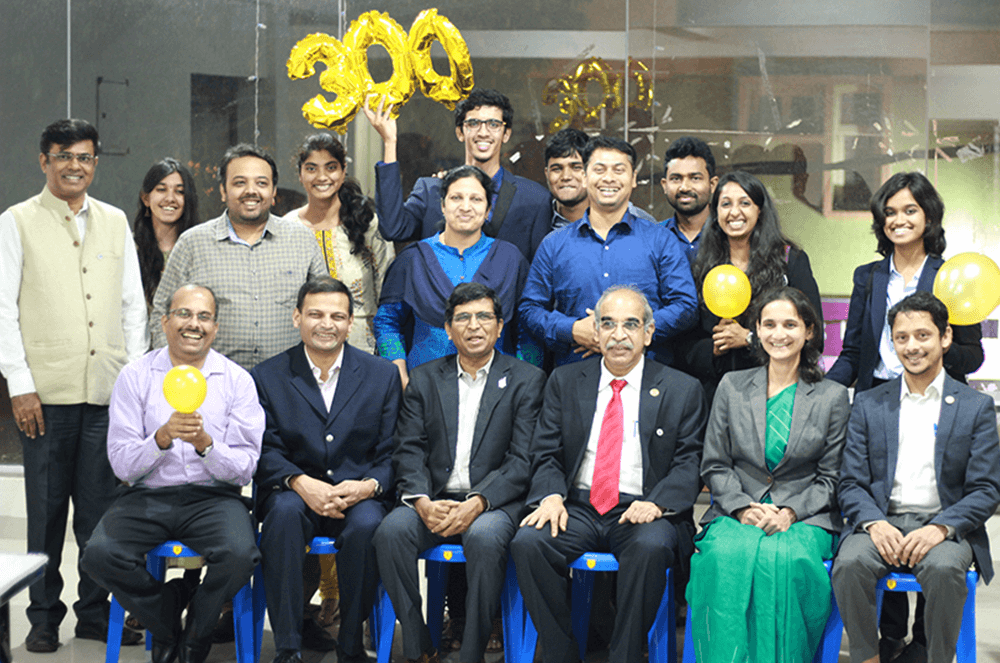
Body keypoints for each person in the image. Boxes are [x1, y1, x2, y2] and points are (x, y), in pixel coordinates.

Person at [0, 118, 147, 652]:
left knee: (99, 515)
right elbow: (2, 312)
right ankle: (42, 617)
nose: (74, 166)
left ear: (95, 164)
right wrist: (20, 384)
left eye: (84, 157)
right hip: (45, 395)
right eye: (63, 156)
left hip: (106, 393)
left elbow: (134, 306)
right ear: (44, 161)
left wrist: (132, 380)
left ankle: (93, 613)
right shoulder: (15, 222)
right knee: (44, 515)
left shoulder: (112, 222)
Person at [825, 172, 984, 659]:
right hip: (877, 400)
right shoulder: (868, 277)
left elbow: (971, 354)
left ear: (928, 217)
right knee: (883, 512)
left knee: (934, 514)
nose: (899, 219)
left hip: (937, 398)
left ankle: (924, 641)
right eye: (890, 211)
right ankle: (888, 638)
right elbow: (853, 351)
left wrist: (926, 363)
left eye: (909, 210)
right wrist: (821, 393)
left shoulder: (949, 273)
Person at [511, 286, 706, 663]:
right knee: (528, 543)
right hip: (578, 506)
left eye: (631, 325)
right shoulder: (565, 381)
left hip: (642, 508)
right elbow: (546, 451)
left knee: (652, 547)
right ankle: (562, 652)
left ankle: (626, 655)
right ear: (595, 333)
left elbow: (689, 462)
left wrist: (658, 503)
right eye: (609, 324)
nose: (619, 335)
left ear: (649, 333)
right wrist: (550, 494)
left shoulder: (683, 389)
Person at [81, 284, 264, 663]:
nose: (193, 324)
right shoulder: (136, 376)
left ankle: (196, 634)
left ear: (215, 328)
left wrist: (206, 445)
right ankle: (166, 620)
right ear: (164, 322)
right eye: (183, 314)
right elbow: (122, 464)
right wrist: (160, 439)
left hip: (213, 497)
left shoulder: (237, 381)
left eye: (203, 316)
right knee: (98, 555)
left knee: (240, 555)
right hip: (148, 495)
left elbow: (245, 467)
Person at [373, 282, 546, 663]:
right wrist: (420, 500)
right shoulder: (424, 378)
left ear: (500, 326)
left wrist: (479, 501)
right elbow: (409, 448)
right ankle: (419, 646)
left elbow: (522, 460)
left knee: (484, 537)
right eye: (463, 318)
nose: (474, 326)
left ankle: (472, 650)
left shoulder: (526, 380)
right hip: (433, 498)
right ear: (448, 329)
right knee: (390, 533)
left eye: (484, 317)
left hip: (494, 503)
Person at [832, 291, 1000, 663]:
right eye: (901, 338)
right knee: (849, 564)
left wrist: (940, 528)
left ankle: (938, 658)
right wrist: (874, 522)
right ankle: (867, 657)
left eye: (923, 335)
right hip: (883, 522)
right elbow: (850, 481)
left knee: (943, 569)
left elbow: (986, 488)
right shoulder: (869, 403)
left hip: (944, 526)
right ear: (892, 343)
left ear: (945, 337)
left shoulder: (975, 407)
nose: (912, 346)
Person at [686, 286, 850, 662]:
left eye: (790, 324)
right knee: (723, 557)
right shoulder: (732, 387)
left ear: (809, 331)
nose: (780, 334)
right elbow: (714, 463)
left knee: (788, 561)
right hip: (736, 509)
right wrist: (743, 507)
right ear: (756, 330)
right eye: (770, 324)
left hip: (804, 517)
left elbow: (832, 477)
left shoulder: (832, 396)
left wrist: (790, 511)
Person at [252, 277, 402, 663]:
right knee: (282, 516)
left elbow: (394, 450)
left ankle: (350, 645)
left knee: (370, 526)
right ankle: (287, 646)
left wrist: (368, 486)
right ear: (296, 317)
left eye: (337, 316)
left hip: (359, 491)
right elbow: (264, 447)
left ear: (351, 323)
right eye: (315, 314)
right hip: (294, 490)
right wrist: (300, 483)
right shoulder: (266, 376)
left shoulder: (381, 374)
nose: (326, 324)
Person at [519, 136, 698, 369]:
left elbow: (686, 305)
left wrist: (634, 330)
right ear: (584, 177)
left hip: (648, 378)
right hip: (574, 377)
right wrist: (571, 330)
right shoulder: (554, 244)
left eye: (619, 170)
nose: (609, 178)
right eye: (599, 169)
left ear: (633, 178)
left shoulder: (660, 240)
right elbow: (529, 309)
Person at [151, 143, 326, 370]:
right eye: (239, 183)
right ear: (223, 191)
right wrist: (175, 376)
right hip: (212, 386)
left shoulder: (302, 240)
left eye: (261, 183)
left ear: (273, 192)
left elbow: (327, 308)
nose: (251, 191)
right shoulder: (193, 243)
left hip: (288, 384)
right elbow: (160, 318)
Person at [374, 165, 537, 387]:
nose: (466, 207)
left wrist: (523, 382)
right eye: (456, 198)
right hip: (424, 388)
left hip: (496, 390)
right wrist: (400, 375)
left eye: (476, 199)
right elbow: (387, 322)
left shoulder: (510, 259)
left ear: (488, 209)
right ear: (442, 206)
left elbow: (528, 328)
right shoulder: (413, 259)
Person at [681, 170, 823, 401]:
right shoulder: (700, 265)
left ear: (760, 210)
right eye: (725, 204)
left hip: (777, 391)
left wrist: (749, 339)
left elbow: (814, 335)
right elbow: (685, 343)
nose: (734, 212)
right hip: (716, 395)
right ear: (715, 212)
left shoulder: (790, 260)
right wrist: (714, 349)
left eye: (745, 203)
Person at [364, 88, 552, 262]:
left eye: (494, 124)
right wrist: (389, 142)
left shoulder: (535, 198)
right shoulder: (431, 190)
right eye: (473, 123)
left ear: (506, 134)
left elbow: (539, 272)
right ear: (460, 132)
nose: (483, 132)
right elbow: (392, 228)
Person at [288, 132, 394, 356]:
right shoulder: (287, 227)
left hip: (364, 347)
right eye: (311, 168)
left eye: (330, 167)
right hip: (302, 348)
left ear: (344, 171)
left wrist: (390, 353)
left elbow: (389, 294)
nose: (321, 176)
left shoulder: (367, 223)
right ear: (300, 174)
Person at [545, 127, 656, 230]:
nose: (566, 177)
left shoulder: (641, 222)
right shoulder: (537, 219)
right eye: (557, 169)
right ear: (547, 174)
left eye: (576, 167)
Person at [134, 158, 201, 307]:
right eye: (161, 189)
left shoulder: (200, 248)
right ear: (146, 198)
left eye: (180, 192)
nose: (170, 198)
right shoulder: (129, 247)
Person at [660, 136, 718, 262]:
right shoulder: (654, 237)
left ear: (712, 184)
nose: (684, 187)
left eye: (695, 178)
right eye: (676, 178)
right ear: (665, 185)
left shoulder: (729, 234)